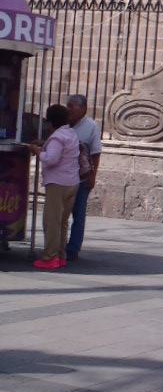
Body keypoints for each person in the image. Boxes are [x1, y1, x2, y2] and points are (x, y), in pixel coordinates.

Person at [26, 104, 80, 271]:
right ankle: (60, 256)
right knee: (63, 222)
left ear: (51, 123)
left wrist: (37, 151)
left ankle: (50, 257)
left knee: (52, 222)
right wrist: (45, 143)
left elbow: (51, 159)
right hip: (72, 182)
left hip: (58, 183)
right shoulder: (70, 133)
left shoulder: (57, 137)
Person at [65, 93, 102, 261]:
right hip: (64, 176)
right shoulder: (64, 124)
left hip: (81, 177)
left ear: (83, 109)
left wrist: (93, 175)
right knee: (61, 214)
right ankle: (58, 245)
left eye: (73, 106)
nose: (69, 109)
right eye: (68, 106)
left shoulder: (91, 126)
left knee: (78, 214)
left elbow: (95, 153)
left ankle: (73, 248)